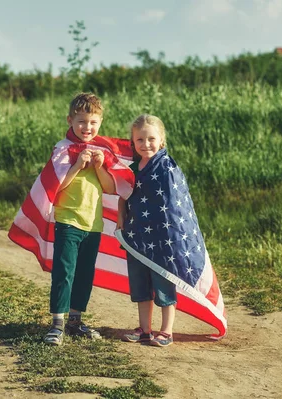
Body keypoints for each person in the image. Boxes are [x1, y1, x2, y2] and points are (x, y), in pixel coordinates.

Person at [41, 92, 128, 346]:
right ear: (70, 120)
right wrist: (77, 165)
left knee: (85, 273)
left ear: (100, 123)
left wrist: (100, 166)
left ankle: (75, 320)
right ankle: (57, 323)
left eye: (92, 122)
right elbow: (57, 186)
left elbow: (110, 188)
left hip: (93, 223)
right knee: (64, 271)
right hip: (68, 220)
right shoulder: (63, 150)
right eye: (81, 121)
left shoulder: (102, 151)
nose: (86, 127)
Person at [117, 114, 178, 347]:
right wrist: (121, 217)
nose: (146, 144)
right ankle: (145, 329)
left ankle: (167, 330)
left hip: (162, 238)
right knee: (140, 284)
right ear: (133, 143)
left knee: (163, 283)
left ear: (161, 140)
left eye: (151, 138)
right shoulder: (131, 169)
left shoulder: (167, 167)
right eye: (140, 140)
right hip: (136, 235)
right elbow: (123, 195)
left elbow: (175, 203)